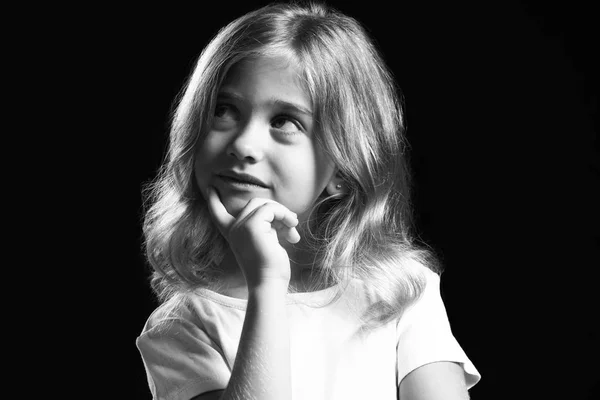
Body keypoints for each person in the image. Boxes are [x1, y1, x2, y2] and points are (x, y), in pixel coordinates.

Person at [136, 1, 481, 399]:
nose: (244, 144)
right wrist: (267, 284)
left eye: (284, 121)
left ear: (342, 168)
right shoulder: (184, 327)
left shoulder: (401, 291)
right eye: (224, 110)